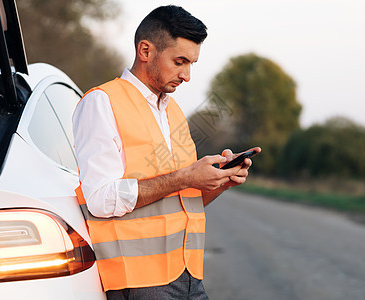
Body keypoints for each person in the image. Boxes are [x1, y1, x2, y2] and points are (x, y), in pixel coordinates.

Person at [73, 5, 260, 299]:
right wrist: (185, 177)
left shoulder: (173, 111)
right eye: (179, 61)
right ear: (145, 50)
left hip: (188, 274)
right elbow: (99, 200)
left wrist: (218, 180)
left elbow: (183, 201)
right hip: (140, 283)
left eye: (192, 64)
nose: (186, 75)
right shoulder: (102, 102)